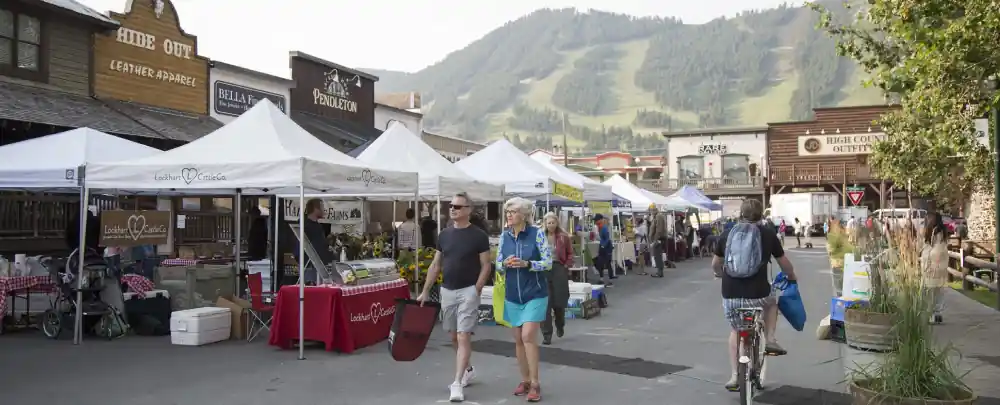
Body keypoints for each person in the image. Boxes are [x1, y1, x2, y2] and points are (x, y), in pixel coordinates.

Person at [712, 198, 797, 391]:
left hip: (731, 294)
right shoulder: (768, 234)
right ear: (761, 216)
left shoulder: (727, 234)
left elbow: (715, 265)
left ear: (740, 214)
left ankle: (735, 376)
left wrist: (719, 274)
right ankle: (771, 339)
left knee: (736, 331)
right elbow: (784, 264)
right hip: (758, 293)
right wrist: (792, 276)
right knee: (772, 302)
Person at [417, 193, 492, 402]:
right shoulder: (444, 234)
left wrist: (476, 288)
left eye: (458, 206)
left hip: (468, 290)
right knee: (452, 335)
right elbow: (435, 264)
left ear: (468, 209)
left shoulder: (478, 236)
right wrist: (425, 290)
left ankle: (457, 382)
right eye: (451, 206)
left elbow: (486, 264)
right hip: (447, 290)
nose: (453, 209)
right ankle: (467, 369)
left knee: (463, 335)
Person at [495, 197, 552, 402]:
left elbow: (548, 263)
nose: (509, 215)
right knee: (518, 339)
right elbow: (498, 264)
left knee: (528, 336)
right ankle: (525, 379)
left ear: (524, 214)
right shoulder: (504, 236)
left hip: (535, 293)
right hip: (512, 294)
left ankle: (535, 383)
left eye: (513, 211)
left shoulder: (537, 234)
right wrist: (506, 264)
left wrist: (528, 264)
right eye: (507, 211)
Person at [541, 212, 571, 345]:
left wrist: (566, 265)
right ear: (545, 224)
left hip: (558, 267)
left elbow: (570, 253)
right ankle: (547, 334)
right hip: (544, 269)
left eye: (553, 223)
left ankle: (560, 323)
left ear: (557, 223)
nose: (551, 225)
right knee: (545, 303)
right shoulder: (540, 237)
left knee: (559, 301)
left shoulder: (564, 237)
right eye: (549, 223)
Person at [297, 198, 334, 285]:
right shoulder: (306, 226)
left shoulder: (316, 226)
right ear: (315, 209)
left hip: (318, 266)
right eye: (322, 207)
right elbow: (314, 247)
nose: (324, 210)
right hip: (310, 266)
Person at [921, 212, 948, 324]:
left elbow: (933, 252)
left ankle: (932, 314)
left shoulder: (933, 235)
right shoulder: (941, 234)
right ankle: (937, 313)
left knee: (929, 291)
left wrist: (931, 265)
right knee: (938, 290)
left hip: (932, 265)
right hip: (940, 266)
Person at [593, 214, 616, 285]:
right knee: (599, 262)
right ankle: (601, 278)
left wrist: (603, 246)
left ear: (600, 220)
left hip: (607, 247)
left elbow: (607, 239)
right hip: (602, 246)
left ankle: (610, 280)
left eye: (596, 220)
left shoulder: (604, 227)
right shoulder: (599, 227)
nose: (595, 222)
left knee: (608, 263)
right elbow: (602, 238)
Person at [647, 204, 668, 278]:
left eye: (651, 210)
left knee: (657, 255)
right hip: (658, 238)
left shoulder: (659, 216)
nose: (650, 212)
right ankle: (659, 271)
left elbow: (659, 229)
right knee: (657, 255)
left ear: (654, 210)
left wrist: (655, 240)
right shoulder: (657, 216)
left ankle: (660, 272)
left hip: (659, 239)